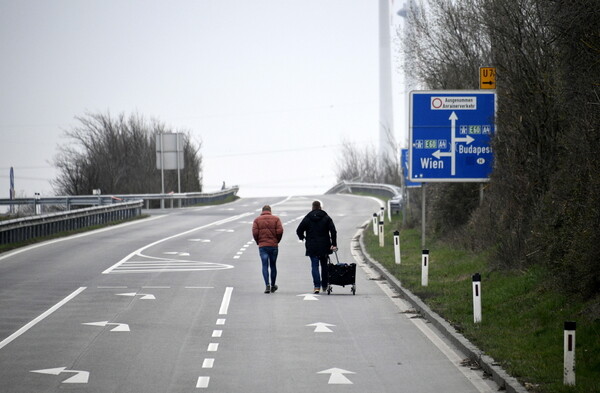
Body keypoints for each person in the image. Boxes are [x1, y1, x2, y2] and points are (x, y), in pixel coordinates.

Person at [296, 200, 337, 294]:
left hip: (312, 245)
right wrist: (334, 244)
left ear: (312, 207)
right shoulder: (326, 217)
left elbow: (299, 230)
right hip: (325, 245)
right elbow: (333, 231)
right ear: (320, 207)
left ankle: (316, 286)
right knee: (324, 265)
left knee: (314, 265)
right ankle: (325, 285)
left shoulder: (307, 218)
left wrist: (302, 237)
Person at [252, 205, 284, 293]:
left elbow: (255, 232)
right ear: (270, 211)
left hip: (263, 246)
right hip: (273, 245)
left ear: (262, 211)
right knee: (273, 265)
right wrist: (277, 240)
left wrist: (258, 241)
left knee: (264, 265)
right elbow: (280, 231)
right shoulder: (276, 219)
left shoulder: (257, 220)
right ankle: (273, 285)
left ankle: (267, 285)